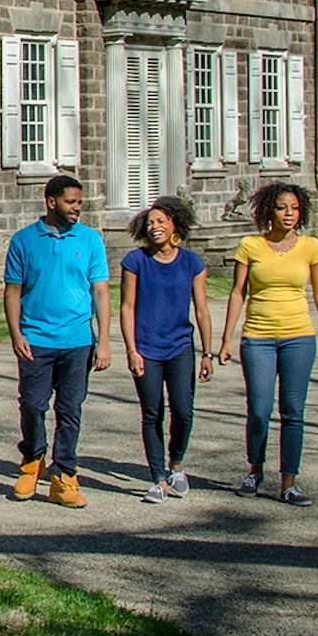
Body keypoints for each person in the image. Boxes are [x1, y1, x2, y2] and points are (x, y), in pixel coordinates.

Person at [217, 181, 318, 506]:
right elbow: (237, 293)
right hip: (257, 338)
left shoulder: (311, 247)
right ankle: (255, 470)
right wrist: (226, 339)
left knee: (293, 412)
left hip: (298, 337)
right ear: (269, 209)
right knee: (259, 410)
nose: (289, 213)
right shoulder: (250, 246)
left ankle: (289, 482)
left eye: (295, 208)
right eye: (283, 207)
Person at [5, 174, 111, 507]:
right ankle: (33, 460)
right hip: (35, 338)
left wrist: (105, 340)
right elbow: (12, 291)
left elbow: (101, 292)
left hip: (78, 340)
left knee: (70, 409)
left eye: (79, 202)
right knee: (33, 404)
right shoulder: (24, 241)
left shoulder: (90, 240)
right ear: (51, 201)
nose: (77, 208)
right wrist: (15, 334)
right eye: (71, 202)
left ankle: (64, 474)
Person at [120, 195, 213, 503]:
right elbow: (127, 307)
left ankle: (177, 464)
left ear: (175, 223)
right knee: (152, 413)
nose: (155, 226)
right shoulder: (135, 261)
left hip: (180, 348)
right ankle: (158, 478)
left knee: (183, 411)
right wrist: (132, 350)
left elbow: (201, 310)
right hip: (146, 349)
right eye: (150, 223)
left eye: (160, 221)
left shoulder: (191, 262)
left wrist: (208, 353)